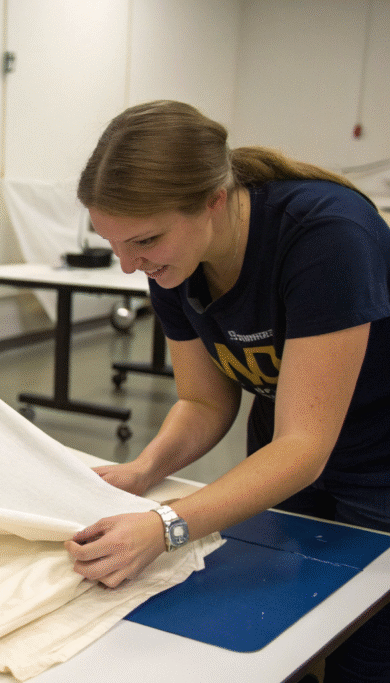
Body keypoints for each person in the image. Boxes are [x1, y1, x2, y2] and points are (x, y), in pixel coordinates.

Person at [66, 100, 389, 682]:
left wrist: (167, 525)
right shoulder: (174, 261)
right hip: (287, 454)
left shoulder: (325, 235)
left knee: (365, 653)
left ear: (214, 200)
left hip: (378, 460)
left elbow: (304, 446)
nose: (129, 265)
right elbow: (205, 401)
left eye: (144, 241)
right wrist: (144, 470)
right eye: (115, 245)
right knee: (290, 631)